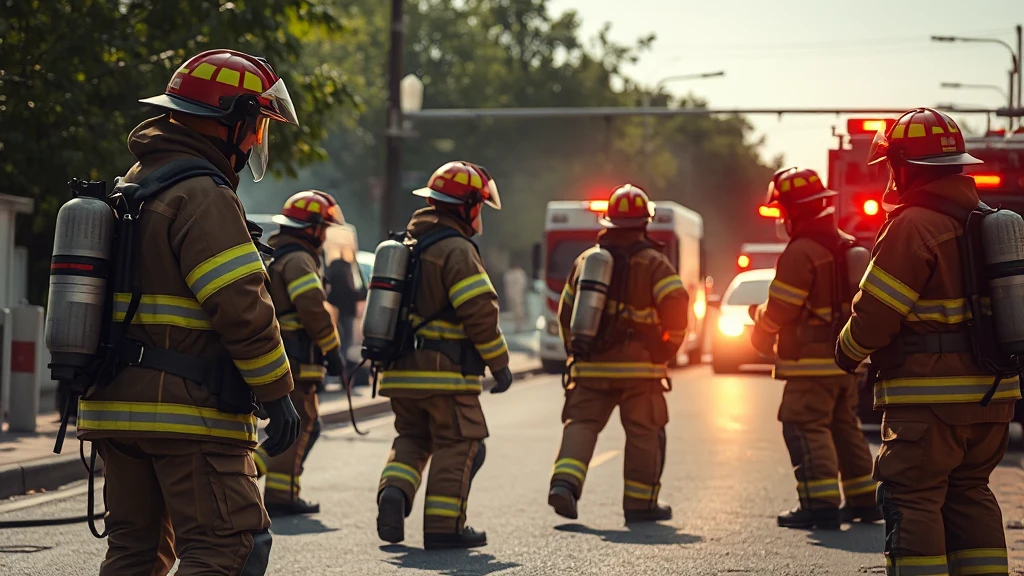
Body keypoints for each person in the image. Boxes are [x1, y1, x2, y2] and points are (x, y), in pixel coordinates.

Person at [76, 49, 301, 575]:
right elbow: (243, 308)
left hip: (113, 410)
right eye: (254, 128)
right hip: (187, 413)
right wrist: (278, 394)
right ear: (229, 122)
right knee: (228, 548)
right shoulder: (202, 194)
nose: (253, 142)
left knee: (135, 553)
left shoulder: (132, 183)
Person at [835, 108, 1020, 574]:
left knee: (913, 499)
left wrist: (846, 352)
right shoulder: (986, 222)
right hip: (994, 398)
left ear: (903, 167)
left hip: (928, 403)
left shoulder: (913, 226)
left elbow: (875, 316)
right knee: (970, 495)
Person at [375, 161, 513, 550]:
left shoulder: (408, 243)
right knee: (461, 442)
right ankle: (444, 526)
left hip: (400, 373)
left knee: (413, 438)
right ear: (467, 205)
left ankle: (395, 491)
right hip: (444, 375)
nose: (480, 214)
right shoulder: (457, 249)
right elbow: (480, 312)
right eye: (479, 206)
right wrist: (500, 364)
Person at [548, 184, 688, 524]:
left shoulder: (586, 261)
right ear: (645, 223)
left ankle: (565, 484)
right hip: (641, 370)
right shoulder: (655, 263)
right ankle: (640, 505)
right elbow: (678, 308)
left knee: (581, 424)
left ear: (608, 222)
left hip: (591, 367)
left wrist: (575, 351)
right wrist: (667, 349)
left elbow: (566, 312)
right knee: (644, 432)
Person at [750, 167, 879, 530]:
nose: (781, 220)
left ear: (794, 211)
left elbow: (780, 310)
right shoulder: (845, 245)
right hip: (847, 362)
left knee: (804, 424)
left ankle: (819, 503)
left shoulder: (800, 252)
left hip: (809, 364)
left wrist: (758, 321)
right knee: (843, 426)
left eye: (782, 212)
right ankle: (863, 499)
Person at [252, 190, 345, 517]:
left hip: (283, 353)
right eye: (324, 228)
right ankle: (246, 478)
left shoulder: (279, 254)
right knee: (300, 424)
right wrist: (333, 350)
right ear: (312, 228)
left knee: (300, 425)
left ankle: (282, 492)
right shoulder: (300, 259)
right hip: (299, 356)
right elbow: (313, 309)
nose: (324, 236)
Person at [502, 264, 529, 333]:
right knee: (517, 311)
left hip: (517, 296)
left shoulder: (518, 274)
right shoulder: (512, 274)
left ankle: (519, 326)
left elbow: (522, 285)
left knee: (519, 312)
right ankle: (518, 326)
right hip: (515, 296)